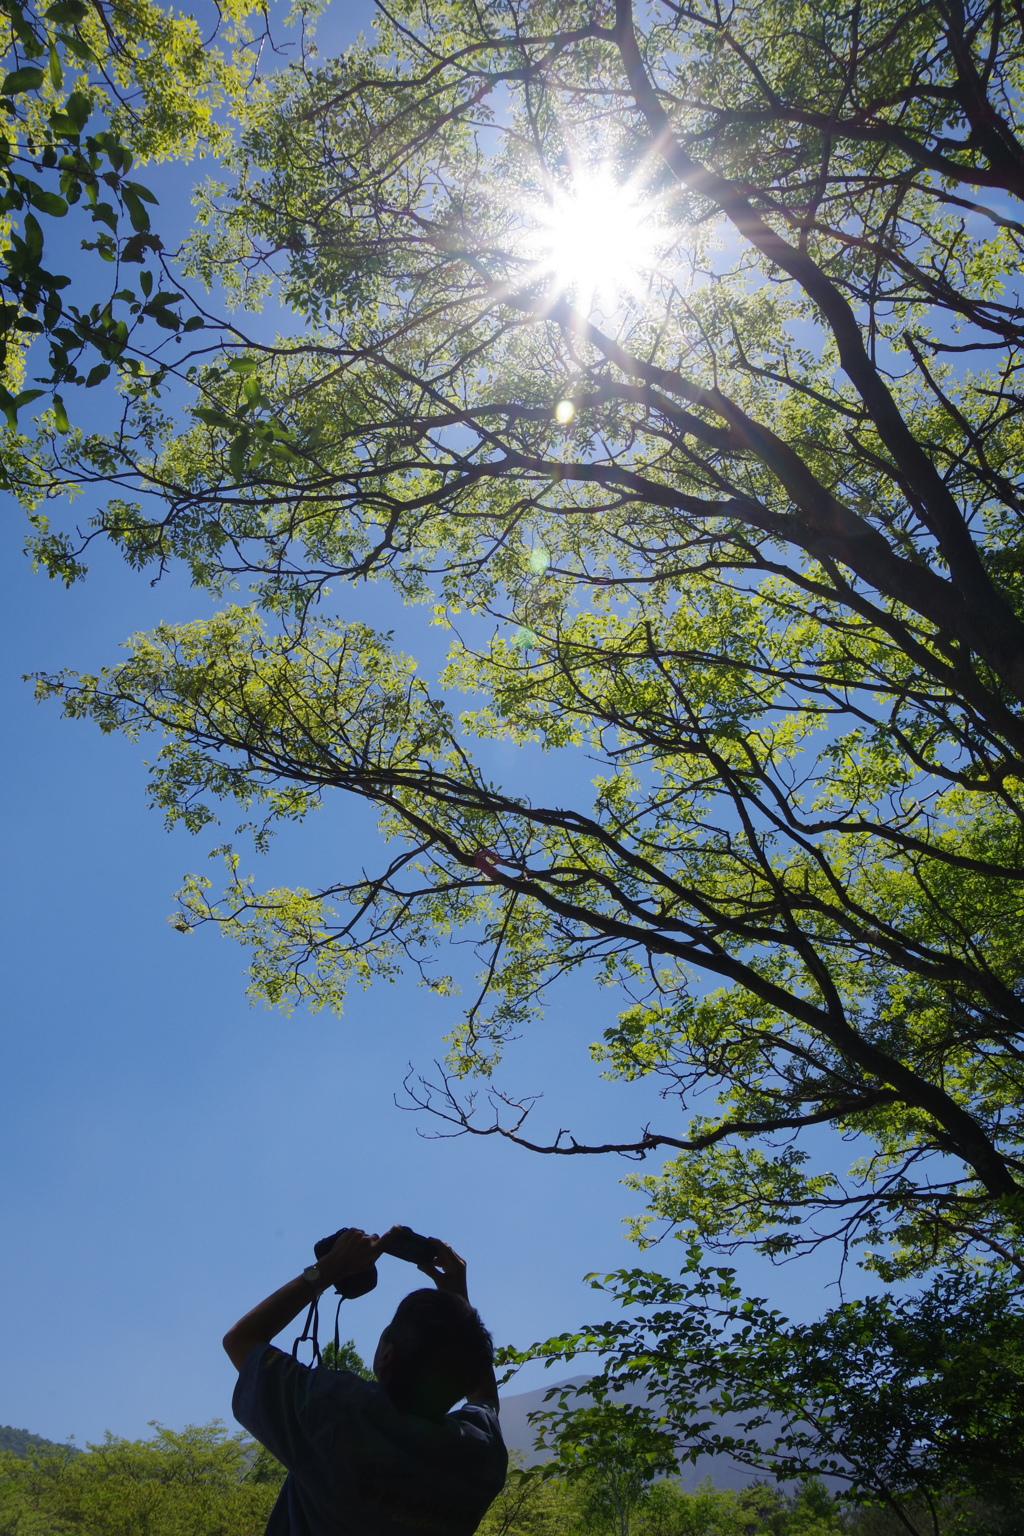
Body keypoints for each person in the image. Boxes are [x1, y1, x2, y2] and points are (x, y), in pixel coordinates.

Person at [223, 1226, 508, 1536]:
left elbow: (240, 1339)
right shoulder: (478, 1456)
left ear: (387, 1356)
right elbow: (486, 1402)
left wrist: (331, 1268)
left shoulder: (337, 1414)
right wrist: (458, 1307)